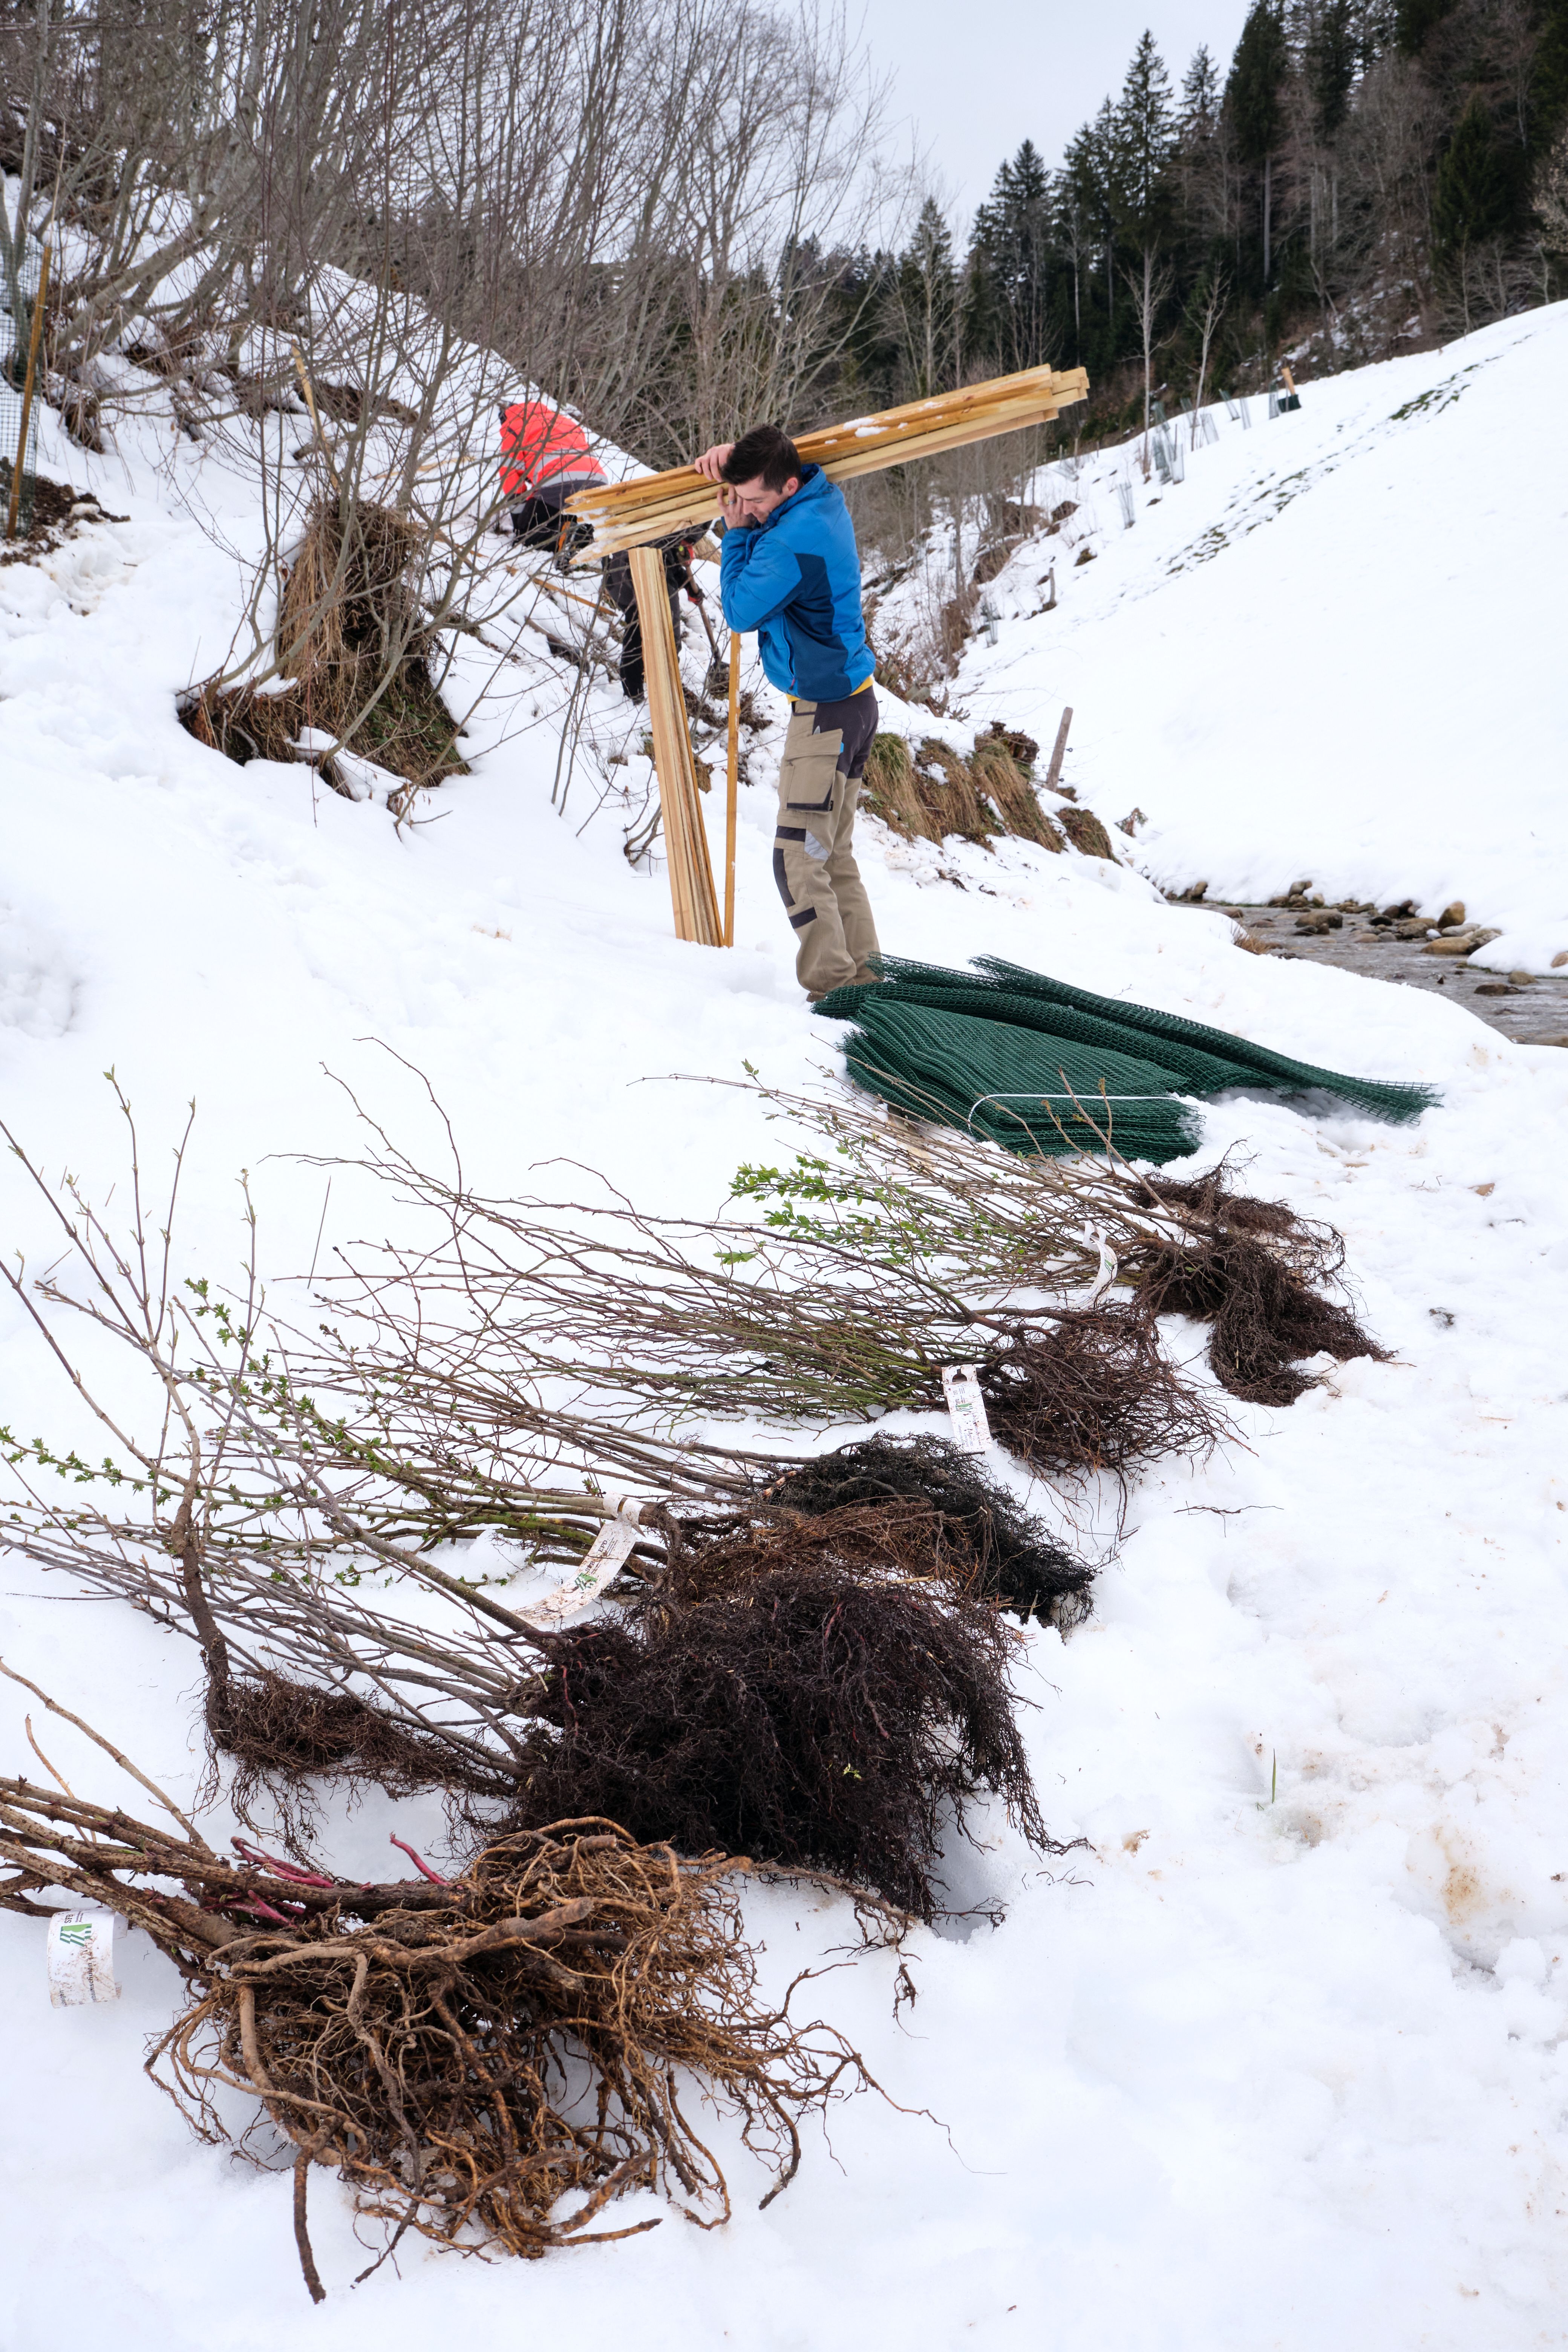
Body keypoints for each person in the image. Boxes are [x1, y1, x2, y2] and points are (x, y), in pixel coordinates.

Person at [694, 424, 879, 1001]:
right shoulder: (822, 498)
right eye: (739, 497)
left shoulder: (789, 541)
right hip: (855, 703)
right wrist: (737, 462)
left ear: (787, 487)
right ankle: (868, 981)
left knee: (797, 858)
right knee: (833, 855)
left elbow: (741, 611)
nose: (746, 508)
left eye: (755, 500)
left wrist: (736, 535)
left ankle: (833, 990)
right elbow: (772, 460)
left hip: (825, 715)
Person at [496, 399, 605, 559]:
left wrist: (520, 524)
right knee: (565, 515)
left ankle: (566, 537)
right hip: (597, 482)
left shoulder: (513, 427)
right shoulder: (564, 421)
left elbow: (511, 481)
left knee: (527, 540)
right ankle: (581, 534)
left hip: (558, 483)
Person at [601, 533, 697, 703]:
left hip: (626, 572)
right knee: (660, 634)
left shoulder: (664, 537)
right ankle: (647, 696)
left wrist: (687, 583)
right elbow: (662, 556)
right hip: (631, 569)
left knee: (639, 627)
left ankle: (639, 694)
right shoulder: (652, 534)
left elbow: (667, 559)